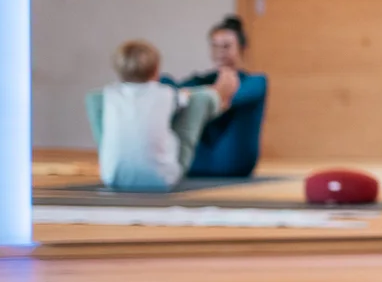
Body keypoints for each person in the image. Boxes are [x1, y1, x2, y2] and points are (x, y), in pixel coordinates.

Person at [86, 39, 228, 191]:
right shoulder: (166, 93)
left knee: (95, 100)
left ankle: (114, 157)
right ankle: (222, 103)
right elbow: (188, 99)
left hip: (112, 177)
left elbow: (96, 99)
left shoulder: (109, 95)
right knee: (202, 98)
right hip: (163, 178)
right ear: (156, 71)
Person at [167, 16, 268, 177]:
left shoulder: (255, 82)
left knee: (200, 100)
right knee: (165, 83)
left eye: (226, 46)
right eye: (215, 46)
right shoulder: (199, 81)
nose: (220, 52)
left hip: (233, 162)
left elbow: (228, 99)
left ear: (241, 48)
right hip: (197, 160)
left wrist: (200, 96)